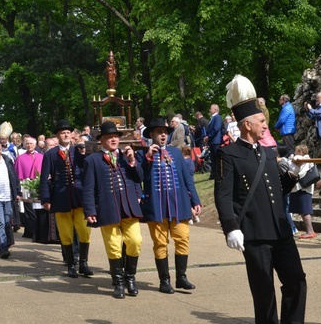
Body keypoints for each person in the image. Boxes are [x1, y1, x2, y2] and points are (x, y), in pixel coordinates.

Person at [215, 75, 312, 324]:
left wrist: (294, 174)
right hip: (254, 232)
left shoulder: (269, 153)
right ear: (247, 124)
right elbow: (223, 195)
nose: (265, 125)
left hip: (281, 229)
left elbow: (278, 189)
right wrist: (231, 227)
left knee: (296, 280)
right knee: (264, 289)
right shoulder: (228, 154)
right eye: (261, 121)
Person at [138, 117, 202, 294]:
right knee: (160, 243)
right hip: (156, 205)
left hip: (179, 204)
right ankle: (164, 280)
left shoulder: (175, 152)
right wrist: (148, 157)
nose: (163, 135)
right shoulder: (143, 155)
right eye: (159, 132)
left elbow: (187, 178)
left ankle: (181, 277)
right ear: (151, 135)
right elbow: (139, 177)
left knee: (182, 238)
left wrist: (195, 200)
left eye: (165, 132)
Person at [82, 121, 143, 299]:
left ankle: (130, 277)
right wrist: (90, 210)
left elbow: (139, 178)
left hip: (129, 207)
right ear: (102, 140)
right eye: (109, 137)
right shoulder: (92, 160)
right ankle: (118, 283)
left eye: (116, 136)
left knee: (135, 241)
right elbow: (88, 188)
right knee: (114, 246)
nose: (114, 139)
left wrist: (132, 162)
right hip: (108, 208)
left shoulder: (126, 157)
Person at [40, 119, 92, 278]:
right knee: (65, 233)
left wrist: (84, 154)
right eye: (63, 132)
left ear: (72, 135)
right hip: (61, 198)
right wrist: (46, 199)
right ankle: (71, 264)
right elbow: (44, 178)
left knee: (84, 231)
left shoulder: (79, 151)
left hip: (79, 196)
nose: (66, 134)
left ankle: (83, 263)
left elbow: (88, 171)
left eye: (68, 132)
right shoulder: (50, 154)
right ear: (57, 135)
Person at [286, 145, 317, 239]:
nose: (294, 152)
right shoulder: (303, 159)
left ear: (301, 152)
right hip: (301, 188)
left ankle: (310, 231)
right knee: (303, 210)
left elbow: (301, 172)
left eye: (296, 151)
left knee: (305, 210)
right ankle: (309, 230)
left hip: (303, 188)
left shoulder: (305, 160)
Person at [204, 104, 223, 179]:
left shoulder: (217, 117)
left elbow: (216, 128)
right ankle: (214, 174)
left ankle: (218, 173)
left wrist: (209, 136)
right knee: (213, 158)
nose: (209, 110)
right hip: (212, 141)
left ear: (215, 109)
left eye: (210, 109)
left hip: (216, 141)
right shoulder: (212, 118)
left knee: (217, 157)